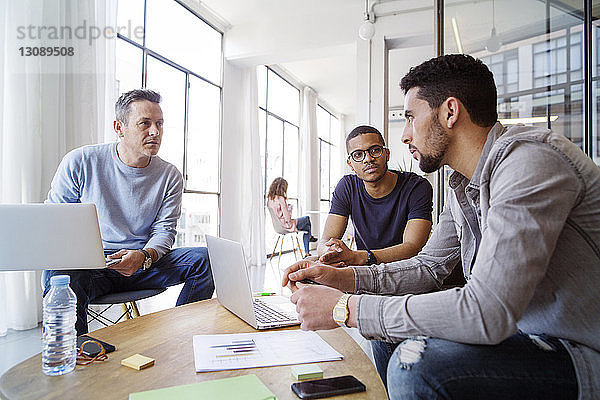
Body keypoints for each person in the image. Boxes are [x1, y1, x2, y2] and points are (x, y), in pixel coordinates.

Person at [282, 54, 600, 399]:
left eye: (409, 117)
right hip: (522, 334)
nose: (405, 135)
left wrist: (345, 308)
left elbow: (487, 309)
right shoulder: (463, 185)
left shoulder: (529, 162)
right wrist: (342, 278)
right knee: (392, 335)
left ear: (450, 112)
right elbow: (429, 267)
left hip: (579, 350)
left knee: (416, 366)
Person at [43, 89, 215, 336]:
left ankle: (185, 336)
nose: (155, 132)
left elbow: (165, 230)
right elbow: (55, 220)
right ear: (119, 127)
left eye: (159, 124)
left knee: (205, 259)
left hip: (143, 262)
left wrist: (144, 256)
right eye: (145, 123)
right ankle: (75, 350)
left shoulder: (170, 175)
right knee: (59, 271)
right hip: (93, 267)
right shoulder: (81, 161)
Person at [318, 125, 433, 267]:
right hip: (366, 269)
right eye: (358, 155)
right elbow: (325, 240)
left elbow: (413, 247)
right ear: (350, 164)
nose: (368, 159)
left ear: (387, 154)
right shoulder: (347, 186)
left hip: (405, 269)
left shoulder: (416, 187)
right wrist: (328, 251)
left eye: (375, 150)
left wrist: (359, 257)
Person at [266, 177, 316, 256]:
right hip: (286, 225)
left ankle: (307, 252)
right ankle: (309, 238)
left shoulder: (269, 199)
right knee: (307, 219)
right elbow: (287, 218)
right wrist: (290, 208)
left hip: (278, 227)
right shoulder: (281, 198)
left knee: (307, 228)